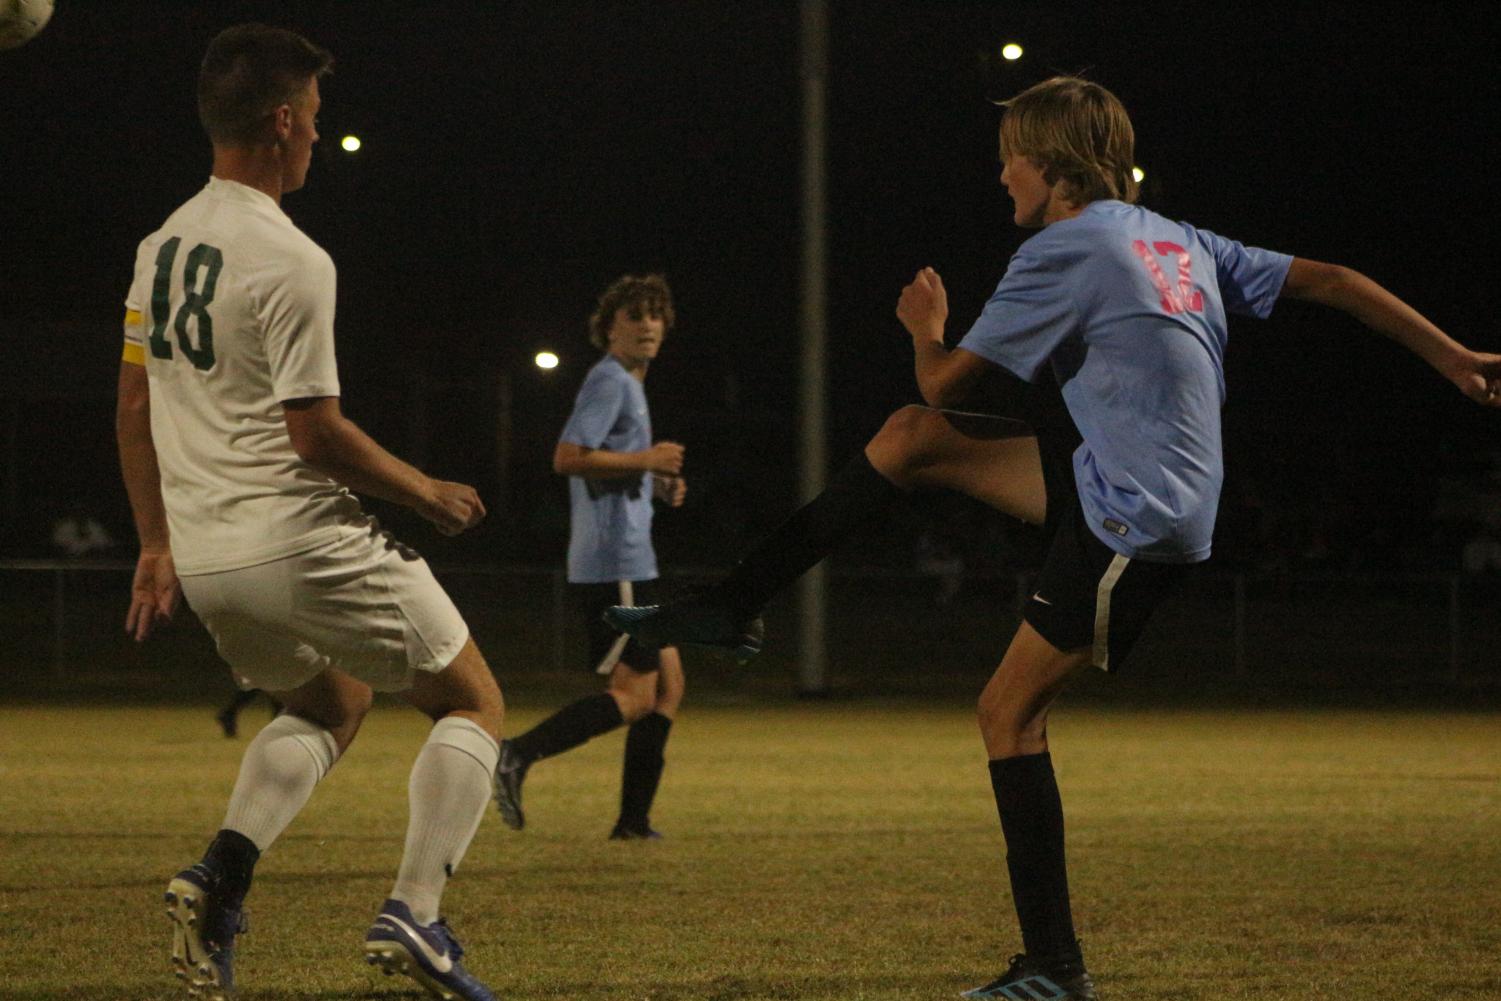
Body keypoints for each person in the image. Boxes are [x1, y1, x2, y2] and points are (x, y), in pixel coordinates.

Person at [608, 76, 1501, 999]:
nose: (1001, 181)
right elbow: (1336, 280)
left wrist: (925, 330)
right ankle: (733, 602)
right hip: (1126, 481)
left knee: (1007, 713)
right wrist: (1455, 358)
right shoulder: (1174, 238)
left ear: (1048, 164)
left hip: (1133, 517)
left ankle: (1053, 968)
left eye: (1008, 163)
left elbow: (952, 380)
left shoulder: (1064, 247)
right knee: (909, 439)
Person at [117, 25, 506, 1001]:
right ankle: (415, 911)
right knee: (472, 700)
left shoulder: (161, 247)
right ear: (284, 122)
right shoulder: (293, 257)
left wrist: (156, 541)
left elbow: (133, 406)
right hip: (294, 536)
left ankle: (219, 878)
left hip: (208, 557)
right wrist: (427, 490)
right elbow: (315, 435)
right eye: (318, 122)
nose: (320, 140)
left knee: (332, 699)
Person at [493, 274, 689, 840]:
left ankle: (632, 822)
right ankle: (516, 754)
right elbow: (569, 457)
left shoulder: (630, 382)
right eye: (634, 315)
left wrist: (655, 481)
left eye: (656, 314)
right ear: (609, 329)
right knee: (634, 697)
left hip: (635, 561)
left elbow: (614, 466)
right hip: (615, 564)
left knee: (669, 688)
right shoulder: (610, 380)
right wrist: (648, 457)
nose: (648, 324)